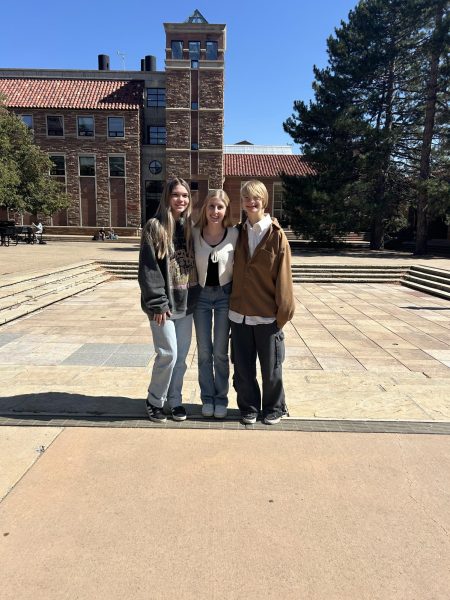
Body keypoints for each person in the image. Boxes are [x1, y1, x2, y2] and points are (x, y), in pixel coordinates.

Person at [229, 180, 295, 425]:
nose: (251, 202)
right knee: (243, 369)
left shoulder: (276, 236)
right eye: (246, 197)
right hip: (239, 315)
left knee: (272, 368)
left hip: (267, 315)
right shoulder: (238, 233)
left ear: (263, 201)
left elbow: (284, 279)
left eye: (255, 197)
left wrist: (283, 315)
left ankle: (274, 407)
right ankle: (248, 407)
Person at [138, 178, 199, 423]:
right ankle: (155, 400)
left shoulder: (191, 226)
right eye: (176, 195)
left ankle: (175, 401)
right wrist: (157, 303)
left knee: (181, 358)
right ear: (167, 197)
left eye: (185, 195)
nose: (181, 199)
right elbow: (148, 269)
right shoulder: (155, 227)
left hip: (187, 302)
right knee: (168, 354)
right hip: (163, 306)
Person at [192, 190, 238, 419]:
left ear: (226, 210)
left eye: (220, 207)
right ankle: (207, 398)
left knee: (220, 352)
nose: (215, 212)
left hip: (224, 296)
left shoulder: (234, 235)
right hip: (200, 296)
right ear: (205, 209)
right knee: (204, 352)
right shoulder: (194, 233)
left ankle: (221, 399)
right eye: (211, 206)